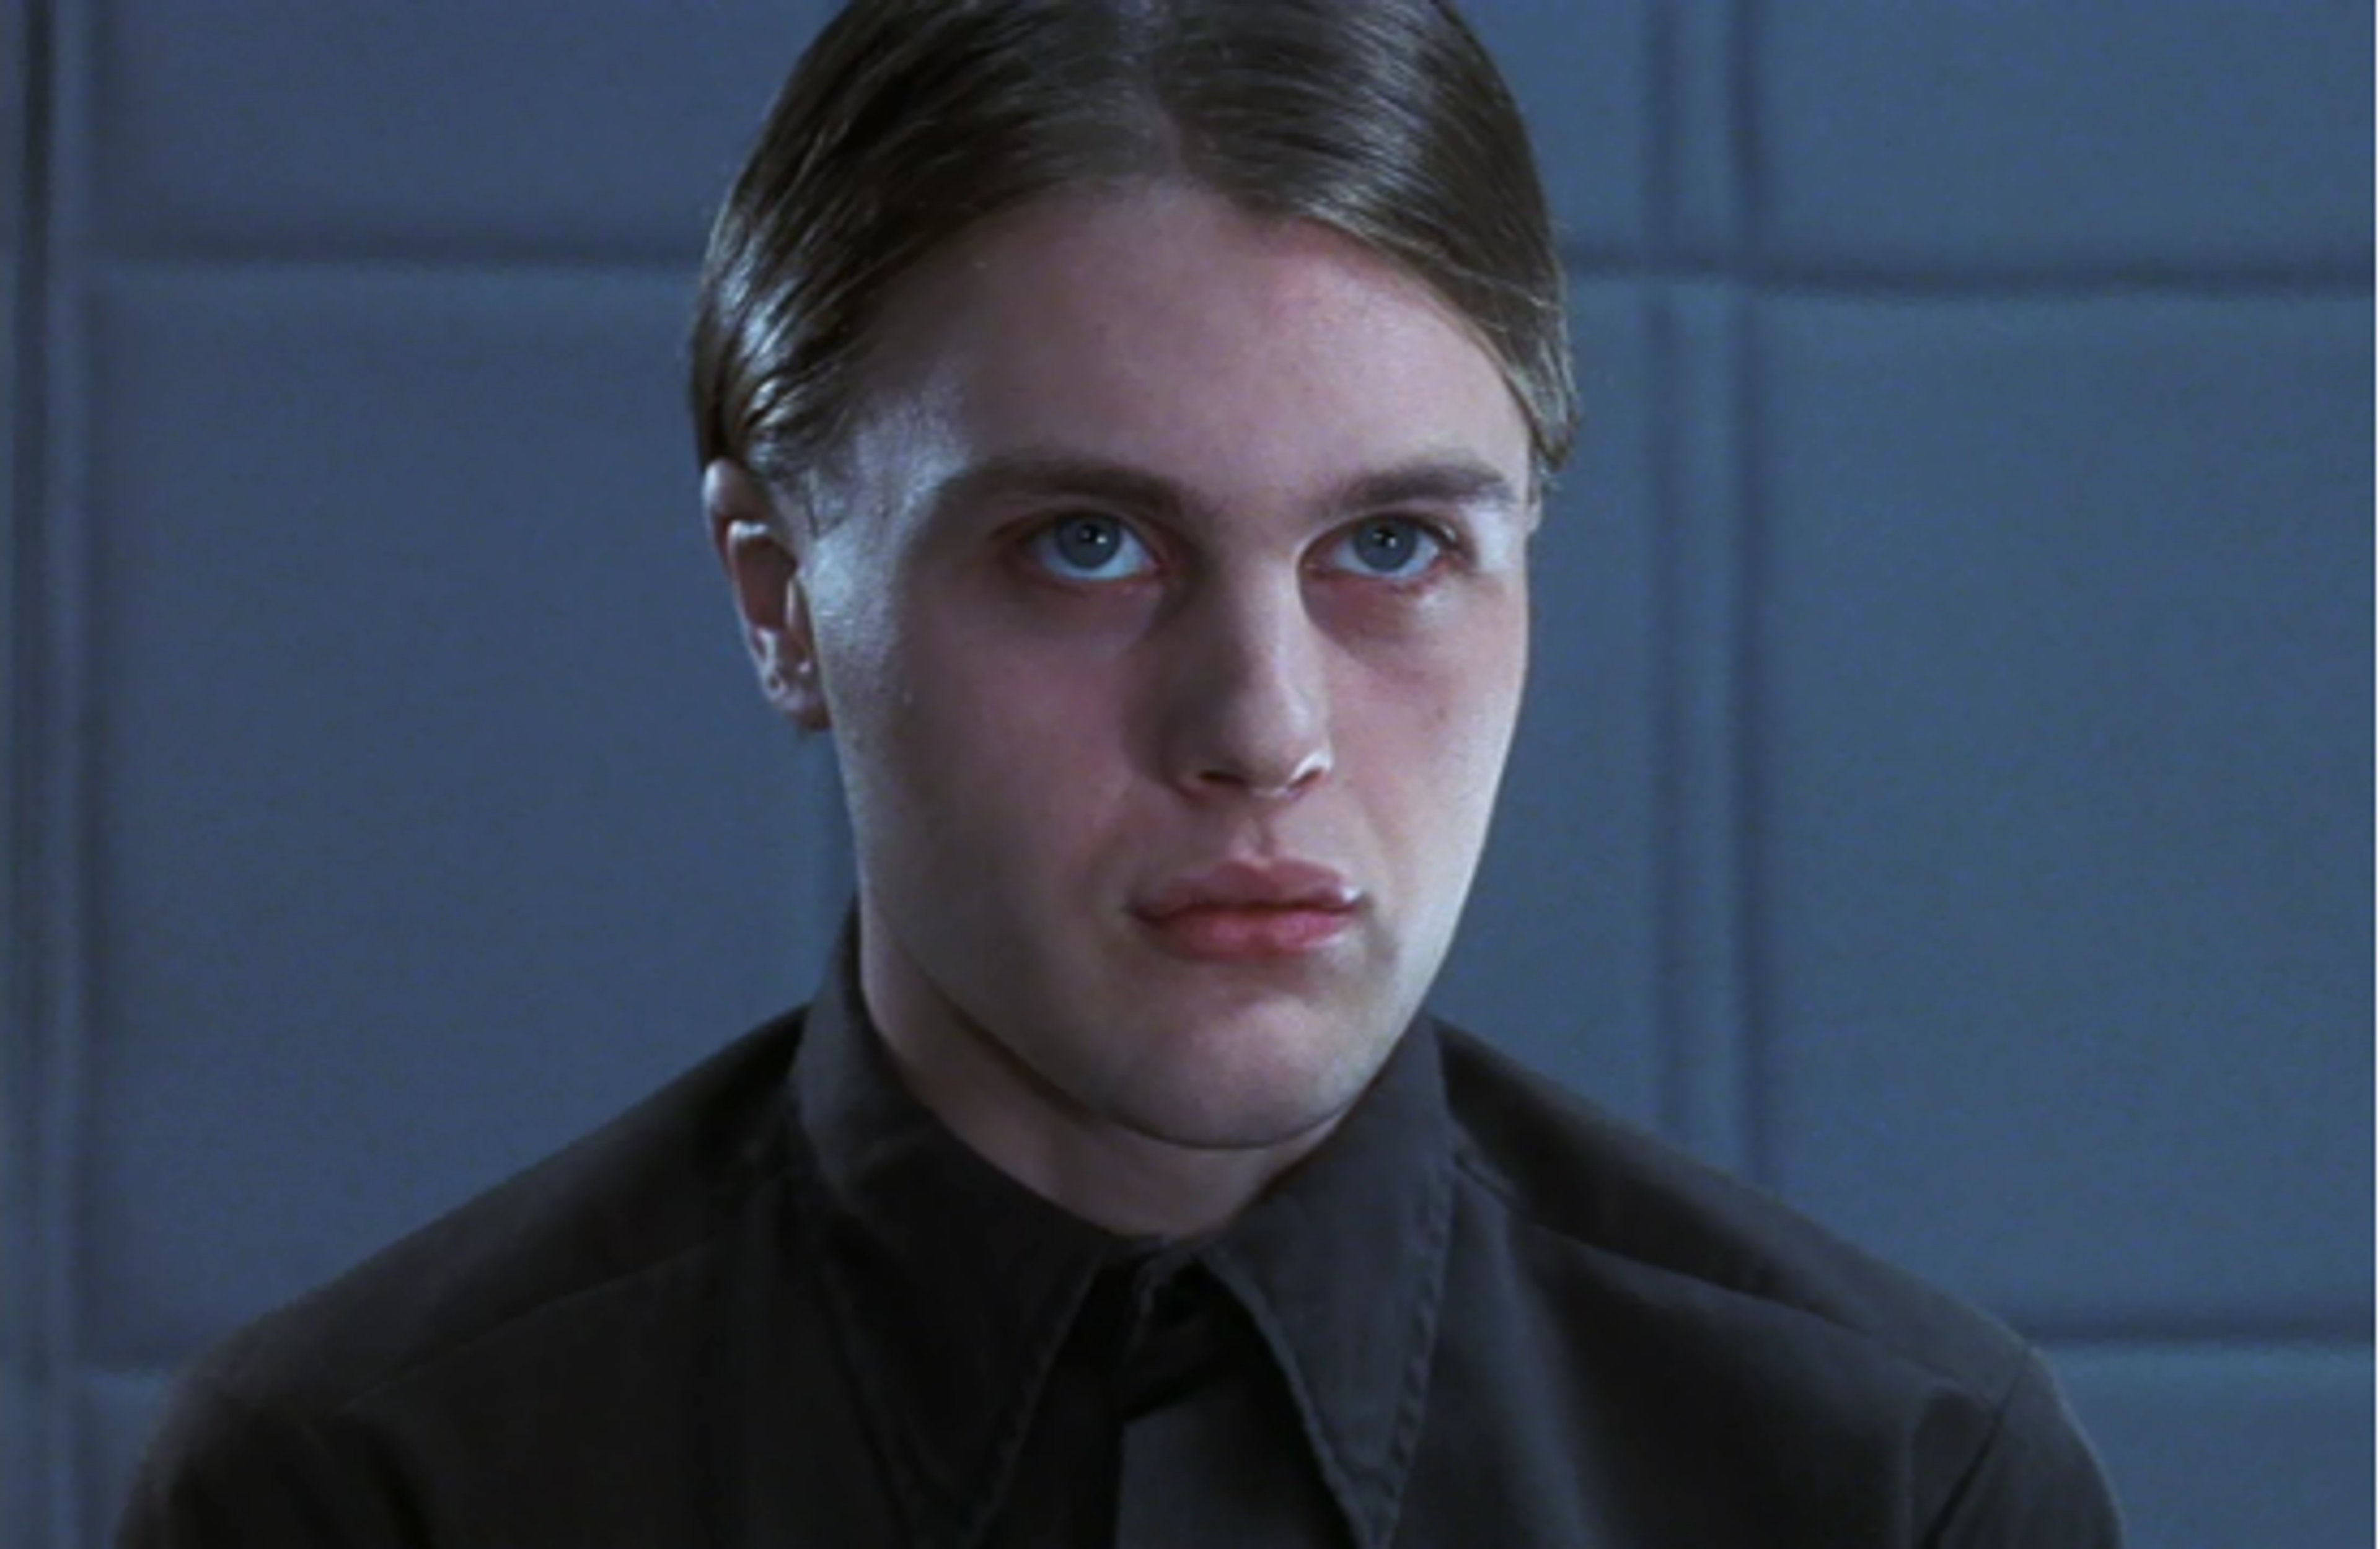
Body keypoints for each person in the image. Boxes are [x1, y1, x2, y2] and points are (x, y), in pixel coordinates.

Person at [119, 1, 2125, 1543]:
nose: (1262, 727)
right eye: (1089, 545)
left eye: (1396, 547)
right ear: (779, 599)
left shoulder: (1896, 1484)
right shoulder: (366, 1492)